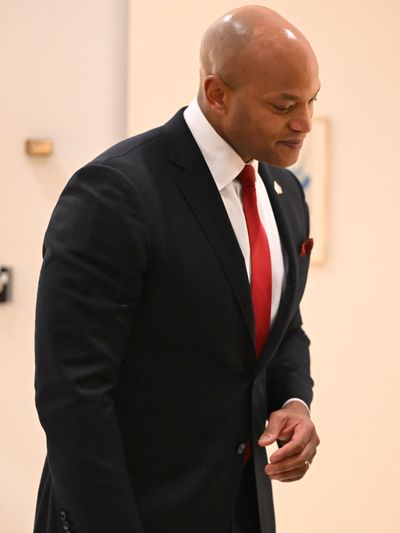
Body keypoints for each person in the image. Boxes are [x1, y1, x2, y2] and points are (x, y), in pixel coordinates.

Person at [34, 6, 320, 533]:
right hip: (130, 511)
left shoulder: (284, 195)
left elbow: (283, 330)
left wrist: (295, 402)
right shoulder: (116, 193)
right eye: (283, 105)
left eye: (310, 100)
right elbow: (72, 393)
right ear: (216, 94)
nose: (303, 121)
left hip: (240, 509)